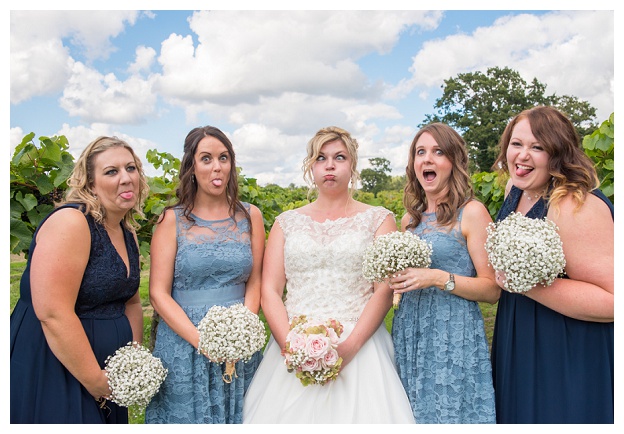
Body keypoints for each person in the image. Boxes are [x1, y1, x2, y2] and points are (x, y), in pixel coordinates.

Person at [243, 126, 415, 424]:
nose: (330, 165)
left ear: (353, 165)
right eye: (321, 158)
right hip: (294, 342)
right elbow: (270, 290)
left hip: (360, 346)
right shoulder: (286, 223)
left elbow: (384, 290)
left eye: (340, 157)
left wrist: (349, 348)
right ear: (311, 167)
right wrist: (290, 346)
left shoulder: (379, 219)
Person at [10, 136, 148, 423]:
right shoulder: (72, 223)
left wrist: (132, 360)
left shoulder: (128, 233)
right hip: (58, 364)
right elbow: (52, 313)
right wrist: (95, 381)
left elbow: (132, 302)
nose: (126, 178)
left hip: (108, 372)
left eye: (131, 168)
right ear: (90, 184)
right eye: (111, 172)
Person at [490, 106, 614, 423]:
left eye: (538, 147)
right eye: (516, 144)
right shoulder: (514, 190)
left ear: (558, 153)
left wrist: (524, 284)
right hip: (519, 334)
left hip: (566, 347)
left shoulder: (575, 204)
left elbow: (614, 301)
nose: (522, 156)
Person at [145, 126, 265, 424]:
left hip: (240, 343)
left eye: (223, 158)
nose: (217, 166)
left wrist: (241, 336)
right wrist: (202, 341)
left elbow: (256, 281)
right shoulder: (170, 220)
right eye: (206, 158)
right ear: (192, 166)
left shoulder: (252, 216)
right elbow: (158, 293)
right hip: (185, 341)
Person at [388, 123, 499, 423]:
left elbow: (492, 289)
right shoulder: (408, 220)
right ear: (413, 164)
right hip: (410, 329)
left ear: (453, 161)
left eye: (438, 152)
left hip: (452, 333)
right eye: (420, 152)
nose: (427, 159)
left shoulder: (472, 212)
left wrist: (439, 278)